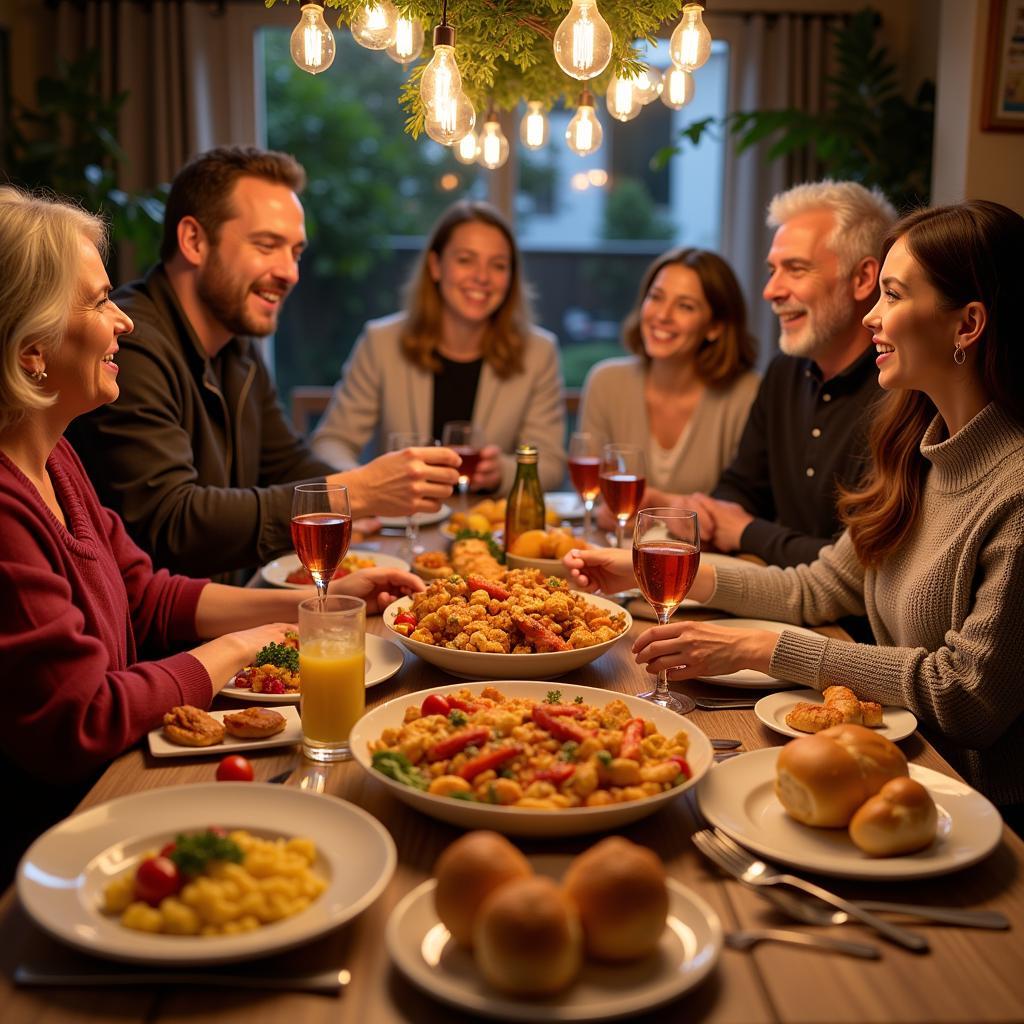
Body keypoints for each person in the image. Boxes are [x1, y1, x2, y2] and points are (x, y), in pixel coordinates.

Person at [0, 187, 425, 881]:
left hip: (111, 789)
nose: (122, 323)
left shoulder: (56, 460)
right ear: (30, 349)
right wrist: (238, 646)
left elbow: (149, 596)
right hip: (58, 850)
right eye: (99, 302)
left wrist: (320, 604)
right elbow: (81, 718)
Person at [570, 200, 1024, 823]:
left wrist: (767, 649)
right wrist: (650, 567)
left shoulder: (1014, 490)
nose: (872, 318)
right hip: (892, 768)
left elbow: (966, 696)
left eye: (892, 295)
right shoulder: (917, 449)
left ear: (967, 324)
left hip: (973, 811)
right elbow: (818, 586)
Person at [68, 146, 461, 581]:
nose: (290, 272)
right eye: (267, 245)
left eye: (295, 252)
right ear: (194, 241)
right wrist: (360, 492)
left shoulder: (235, 345)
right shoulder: (129, 342)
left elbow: (288, 464)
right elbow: (173, 522)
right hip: (165, 637)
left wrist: (363, 491)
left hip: (239, 604)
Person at [665, 181, 897, 568]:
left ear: (862, 279)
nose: (770, 291)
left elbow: (862, 565)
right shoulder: (784, 370)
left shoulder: (899, 391)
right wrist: (708, 515)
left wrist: (745, 531)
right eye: (773, 270)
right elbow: (742, 486)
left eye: (795, 269)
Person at [310, 200, 567, 494]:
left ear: (510, 278)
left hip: (486, 527)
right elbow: (331, 443)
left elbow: (550, 466)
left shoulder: (538, 351)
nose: (482, 277)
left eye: (498, 265)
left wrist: (505, 472)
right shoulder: (381, 342)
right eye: (465, 260)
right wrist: (364, 486)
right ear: (435, 266)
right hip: (402, 523)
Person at [578, 247, 759, 500]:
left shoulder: (747, 394)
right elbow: (592, 498)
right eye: (656, 297)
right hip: (616, 540)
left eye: (685, 306)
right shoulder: (605, 382)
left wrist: (661, 505)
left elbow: (746, 509)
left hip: (702, 542)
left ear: (715, 327)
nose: (662, 316)